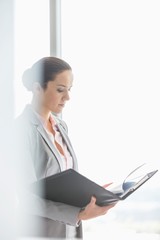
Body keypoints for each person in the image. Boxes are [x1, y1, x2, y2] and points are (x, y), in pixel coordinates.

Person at [15, 57, 116, 239]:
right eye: (60, 90)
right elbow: (26, 199)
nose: (68, 97)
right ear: (38, 88)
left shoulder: (61, 126)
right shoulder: (20, 130)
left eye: (69, 90)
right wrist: (78, 214)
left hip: (70, 232)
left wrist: (91, 194)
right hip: (41, 233)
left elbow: (63, 180)